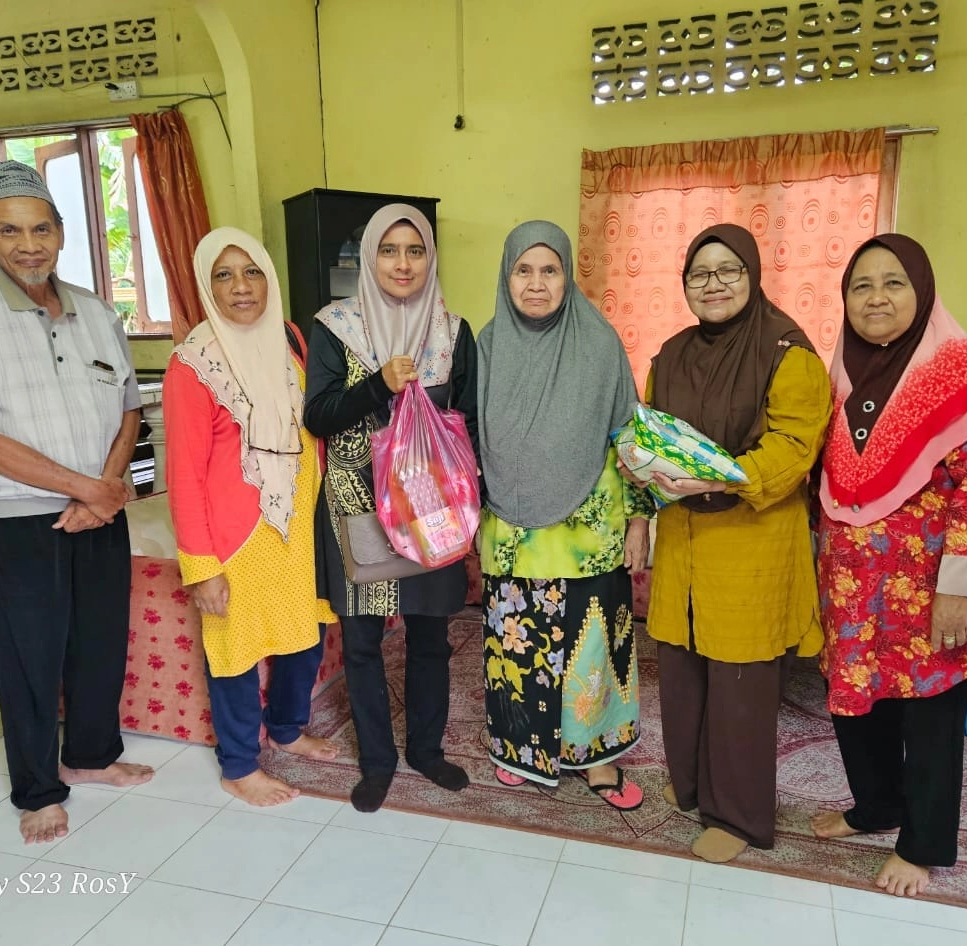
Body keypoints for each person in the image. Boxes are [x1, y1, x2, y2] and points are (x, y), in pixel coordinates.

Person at [0, 160, 154, 845]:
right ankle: (39, 790)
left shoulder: (97, 313)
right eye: (10, 231)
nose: (28, 245)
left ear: (61, 232)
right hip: (18, 517)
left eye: (41, 229)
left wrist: (104, 490)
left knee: (100, 640)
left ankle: (92, 755)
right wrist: (88, 489)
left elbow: (129, 410)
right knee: (29, 657)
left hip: (99, 510)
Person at [810, 233, 967, 897]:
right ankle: (876, 807)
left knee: (930, 713)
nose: (875, 298)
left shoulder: (961, 375)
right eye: (861, 285)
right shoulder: (840, 372)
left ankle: (923, 843)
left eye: (893, 283)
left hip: (927, 587)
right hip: (850, 584)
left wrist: (960, 590)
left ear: (923, 292)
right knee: (856, 701)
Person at [637, 224, 833, 862]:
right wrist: (644, 467)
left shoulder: (788, 354)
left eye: (728, 271)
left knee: (739, 684)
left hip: (752, 542)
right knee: (682, 671)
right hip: (684, 541)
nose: (713, 284)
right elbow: (651, 431)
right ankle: (692, 785)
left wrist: (720, 477)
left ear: (752, 275)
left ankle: (739, 815)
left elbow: (794, 448)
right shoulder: (671, 354)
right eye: (700, 274)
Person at [304, 203, 478, 813]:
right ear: (368, 257)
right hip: (357, 503)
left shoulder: (452, 332)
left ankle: (426, 750)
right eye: (389, 250)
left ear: (431, 258)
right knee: (362, 641)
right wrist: (378, 383)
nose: (403, 264)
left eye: (415, 251)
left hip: (431, 509)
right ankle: (377, 761)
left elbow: (469, 418)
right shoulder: (335, 327)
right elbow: (318, 415)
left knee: (431, 636)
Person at [477, 220, 651, 810]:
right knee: (517, 645)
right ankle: (520, 750)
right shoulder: (488, 345)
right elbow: (471, 433)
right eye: (523, 270)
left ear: (567, 275)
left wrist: (638, 520)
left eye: (549, 270)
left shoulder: (600, 344)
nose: (536, 283)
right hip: (511, 529)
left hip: (590, 532)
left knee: (590, 646)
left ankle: (596, 759)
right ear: (506, 277)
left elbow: (632, 436)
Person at [163, 227, 339, 807]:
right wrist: (201, 566)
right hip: (235, 540)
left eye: (252, 272)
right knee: (235, 652)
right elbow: (184, 474)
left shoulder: (289, 340)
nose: (241, 287)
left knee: (303, 637)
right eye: (224, 275)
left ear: (269, 278)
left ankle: (286, 728)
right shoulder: (192, 366)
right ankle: (238, 766)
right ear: (206, 286)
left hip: (298, 528)